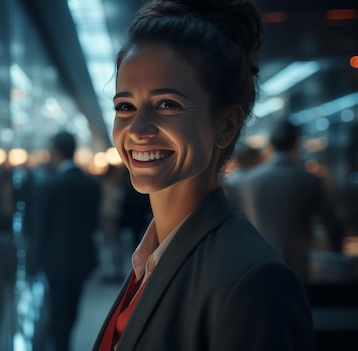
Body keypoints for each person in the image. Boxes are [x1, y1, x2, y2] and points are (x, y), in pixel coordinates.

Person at [93, 0, 316, 350]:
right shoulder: (150, 260)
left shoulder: (253, 282)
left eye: (167, 104)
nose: (137, 129)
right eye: (125, 106)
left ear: (226, 125)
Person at [241, 119, 344, 282]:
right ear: (296, 144)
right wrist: (338, 257)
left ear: (270, 145)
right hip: (297, 265)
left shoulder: (249, 180)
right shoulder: (309, 179)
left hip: (255, 265)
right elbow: (331, 224)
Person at [34, 130, 101, 351]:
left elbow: (42, 228)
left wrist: (36, 260)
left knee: (58, 313)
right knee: (71, 312)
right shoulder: (90, 184)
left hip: (56, 262)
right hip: (82, 259)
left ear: (56, 152)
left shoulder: (52, 186)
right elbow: (94, 223)